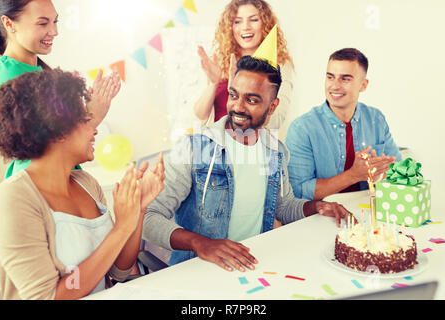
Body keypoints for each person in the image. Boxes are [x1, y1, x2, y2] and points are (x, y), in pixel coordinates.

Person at [143, 56, 350, 273]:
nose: (237, 107)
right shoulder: (194, 148)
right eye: (234, 95)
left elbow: (284, 205)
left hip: (253, 265)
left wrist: (315, 206)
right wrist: (200, 243)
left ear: (272, 107)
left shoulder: (275, 151)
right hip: (200, 270)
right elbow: (149, 217)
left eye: (251, 100)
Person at [0, 69, 165, 300]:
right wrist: (121, 228)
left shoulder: (86, 183)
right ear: (56, 132)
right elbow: (45, 297)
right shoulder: (13, 198)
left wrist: (137, 210)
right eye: (86, 120)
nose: (95, 128)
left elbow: (119, 270)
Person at [0, 0, 121, 178]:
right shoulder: (10, 80)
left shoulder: (35, 71)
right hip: (40, 185)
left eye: (55, 21)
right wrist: (93, 116)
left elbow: (56, 133)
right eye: (42, 23)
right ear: (9, 23)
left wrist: (83, 114)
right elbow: (44, 150)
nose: (54, 32)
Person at [286, 48, 402, 201]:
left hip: (366, 212)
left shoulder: (376, 119)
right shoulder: (302, 128)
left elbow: (399, 171)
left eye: (345, 79)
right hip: (319, 218)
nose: (335, 86)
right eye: (330, 77)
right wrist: (353, 175)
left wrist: (379, 174)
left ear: (363, 85)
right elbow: (298, 190)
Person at [193, 0, 294, 136]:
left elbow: (276, 120)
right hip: (216, 146)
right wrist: (213, 83)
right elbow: (200, 115)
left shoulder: (279, 63)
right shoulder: (220, 61)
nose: (245, 27)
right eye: (237, 21)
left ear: (265, 23)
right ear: (230, 27)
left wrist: (238, 89)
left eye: (253, 20)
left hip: (252, 148)